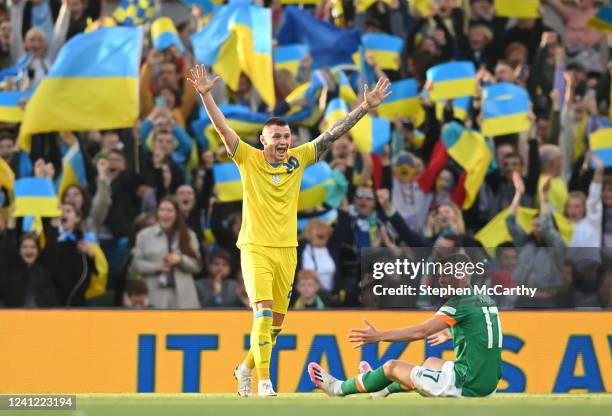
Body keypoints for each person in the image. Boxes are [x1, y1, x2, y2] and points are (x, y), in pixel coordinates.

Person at [186, 63, 390, 396]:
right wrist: (207, 96)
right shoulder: (247, 159)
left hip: (288, 250)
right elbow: (223, 130)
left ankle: (244, 368)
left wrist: (364, 108)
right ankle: (263, 380)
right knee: (263, 314)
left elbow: (332, 134)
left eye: (286, 136)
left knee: (276, 325)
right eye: (276, 137)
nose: (282, 141)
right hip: (255, 247)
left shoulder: (298, 158)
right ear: (262, 140)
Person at [309, 253, 502, 398]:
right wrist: (451, 334)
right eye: (440, 275)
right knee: (431, 363)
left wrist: (379, 336)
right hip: (489, 384)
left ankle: (337, 388)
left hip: (467, 385)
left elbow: (422, 331)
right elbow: (485, 330)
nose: (441, 280)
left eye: (446, 275)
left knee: (391, 366)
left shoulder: (458, 303)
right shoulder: (484, 298)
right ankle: (381, 388)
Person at [131, 196, 202, 308]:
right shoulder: (144, 235)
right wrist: (156, 266)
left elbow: (197, 266)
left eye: (169, 210)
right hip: (155, 293)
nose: (165, 214)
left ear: (177, 214)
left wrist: (180, 259)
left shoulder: (189, 235)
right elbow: (136, 264)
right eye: (162, 210)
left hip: (184, 297)